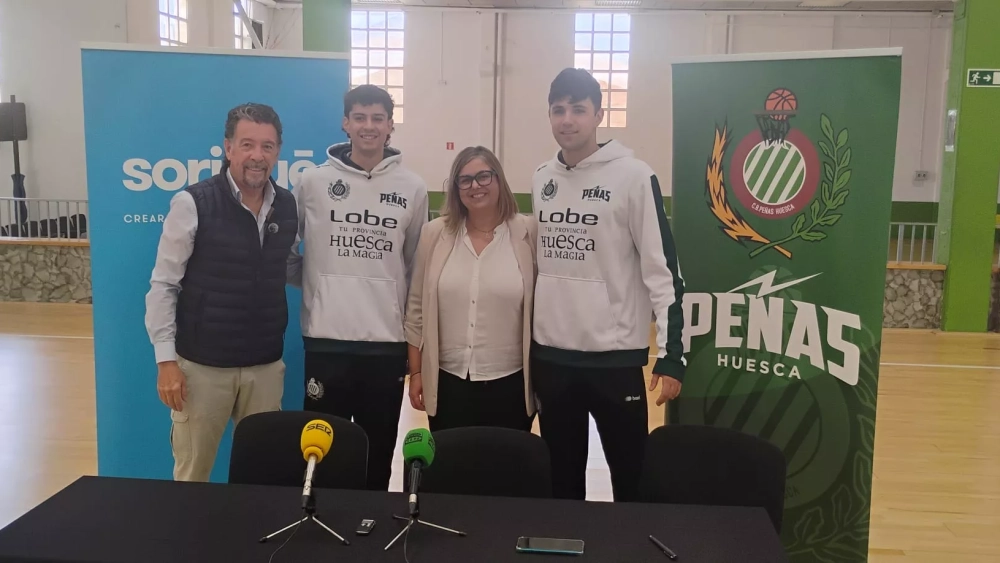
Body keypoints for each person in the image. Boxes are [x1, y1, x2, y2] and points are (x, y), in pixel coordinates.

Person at [530, 68, 686, 502]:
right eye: (558, 110)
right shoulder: (541, 177)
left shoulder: (634, 176)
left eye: (578, 109)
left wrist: (672, 355)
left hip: (614, 363)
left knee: (631, 482)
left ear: (599, 115)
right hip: (552, 360)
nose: (567, 120)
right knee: (561, 485)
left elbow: (663, 272)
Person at [145, 103, 299, 482]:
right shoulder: (193, 203)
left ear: (277, 151)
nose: (257, 156)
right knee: (193, 477)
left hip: (265, 367)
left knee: (262, 478)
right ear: (228, 148)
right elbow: (164, 285)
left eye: (267, 146)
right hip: (202, 369)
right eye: (247, 144)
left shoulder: (287, 205)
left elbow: (286, 267)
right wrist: (166, 361)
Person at [288, 85, 428, 491]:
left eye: (378, 118)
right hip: (326, 341)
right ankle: (320, 518)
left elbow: (414, 266)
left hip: (386, 345)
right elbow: (287, 252)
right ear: (345, 123)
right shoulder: (312, 182)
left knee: (377, 451)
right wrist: (318, 284)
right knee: (323, 453)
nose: (369, 126)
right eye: (360, 118)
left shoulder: (412, 187)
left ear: (390, 125)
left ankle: (372, 520)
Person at [404, 146, 537, 433]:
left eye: (483, 176)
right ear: (456, 188)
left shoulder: (528, 233)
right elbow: (415, 310)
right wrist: (416, 372)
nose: (475, 186)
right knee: (451, 461)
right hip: (448, 383)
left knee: (506, 462)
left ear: (499, 179)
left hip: (511, 385)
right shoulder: (434, 234)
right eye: (465, 180)